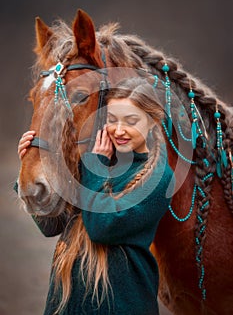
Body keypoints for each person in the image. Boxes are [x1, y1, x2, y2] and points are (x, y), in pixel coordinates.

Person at [17, 77, 175, 315]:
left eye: (131, 121)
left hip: (119, 305)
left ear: (152, 121)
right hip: (67, 303)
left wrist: (93, 164)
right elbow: (52, 226)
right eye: (112, 120)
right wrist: (28, 164)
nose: (119, 130)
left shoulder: (159, 178)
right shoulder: (95, 163)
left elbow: (102, 227)